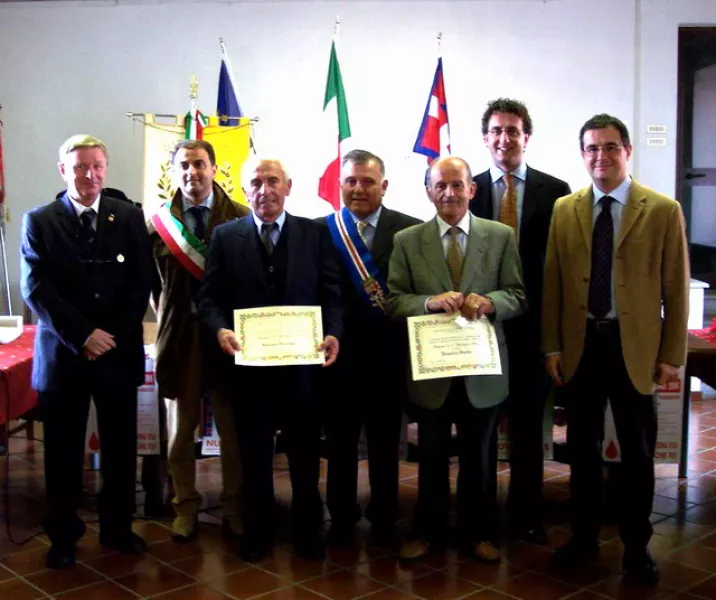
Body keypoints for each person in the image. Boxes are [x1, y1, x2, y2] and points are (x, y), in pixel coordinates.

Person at [542, 114, 689, 585]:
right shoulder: (566, 208)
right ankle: (583, 538)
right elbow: (554, 283)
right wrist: (551, 346)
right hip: (582, 346)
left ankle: (636, 546)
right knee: (581, 450)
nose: (600, 156)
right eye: (591, 148)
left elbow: (676, 290)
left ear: (627, 151)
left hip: (635, 349)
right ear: (582, 154)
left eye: (609, 147)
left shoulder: (662, 209)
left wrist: (671, 356)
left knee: (637, 453)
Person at [197, 157, 343, 562]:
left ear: (289, 186)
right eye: (256, 183)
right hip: (249, 372)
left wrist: (333, 332)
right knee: (255, 456)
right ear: (246, 191)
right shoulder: (226, 237)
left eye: (272, 181)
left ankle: (308, 529)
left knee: (304, 455)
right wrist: (220, 328)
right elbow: (208, 298)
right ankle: (258, 530)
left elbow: (332, 293)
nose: (265, 189)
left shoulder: (314, 234)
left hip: (303, 370)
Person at [20, 134, 153, 569]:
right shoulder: (39, 220)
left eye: (96, 165)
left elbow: (141, 284)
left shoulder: (130, 217)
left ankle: (117, 529)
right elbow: (37, 288)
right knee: (62, 452)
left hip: (116, 351)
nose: (89, 174)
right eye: (79, 167)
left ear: (105, 168)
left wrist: (107, 335)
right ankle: (63, 535)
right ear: (63, 171)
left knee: (119, 449)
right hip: (64, 355)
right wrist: (83, 336)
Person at [387, 156, 526, 563]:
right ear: (429, 191)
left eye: (457, 184)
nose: (449, 193)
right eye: (440, 186)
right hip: (431, 371)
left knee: (479, 459)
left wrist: (491, 302)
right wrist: (428, 302)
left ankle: (479, 533)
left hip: (482, 373)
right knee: (429, 457)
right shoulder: (407, 241)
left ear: (472, 189)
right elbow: (394, 300)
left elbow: (518, 294)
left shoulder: (500, 236)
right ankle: (426, 531)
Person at [469, 98, 571, 544]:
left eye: (513, 131)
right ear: (485, 138)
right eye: (496, 131)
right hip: (480, 330)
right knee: (484, 426)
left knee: (530, 427)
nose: (504, 139)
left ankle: (527, 514)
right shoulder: (467, 188)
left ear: (526, 137)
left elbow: (562, 264)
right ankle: (483, 515)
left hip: (532, 328)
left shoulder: (557, 191)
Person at [148, 139, 249, 542]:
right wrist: (172, 317)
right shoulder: (157, 223)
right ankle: (185, 506)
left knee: (232, 430)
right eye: (184, 165)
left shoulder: (239, 217)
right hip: (180, 341)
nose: (192, 172)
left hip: (226, 340)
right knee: (180, 431)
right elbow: (151, 287)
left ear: (214, 168)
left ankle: (234, 506)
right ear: (174, 172)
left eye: (200, 164)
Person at [322, 149, 421, 548]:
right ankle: (341, 518)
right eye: (351, 181)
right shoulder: (322, 230)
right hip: (338, 358)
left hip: (388, 356)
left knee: (385, 445)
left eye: (367, 181)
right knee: (341, 445)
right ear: (340, 185)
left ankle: (385, 517)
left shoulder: (410, 230)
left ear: (384, 185)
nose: (358, 188)